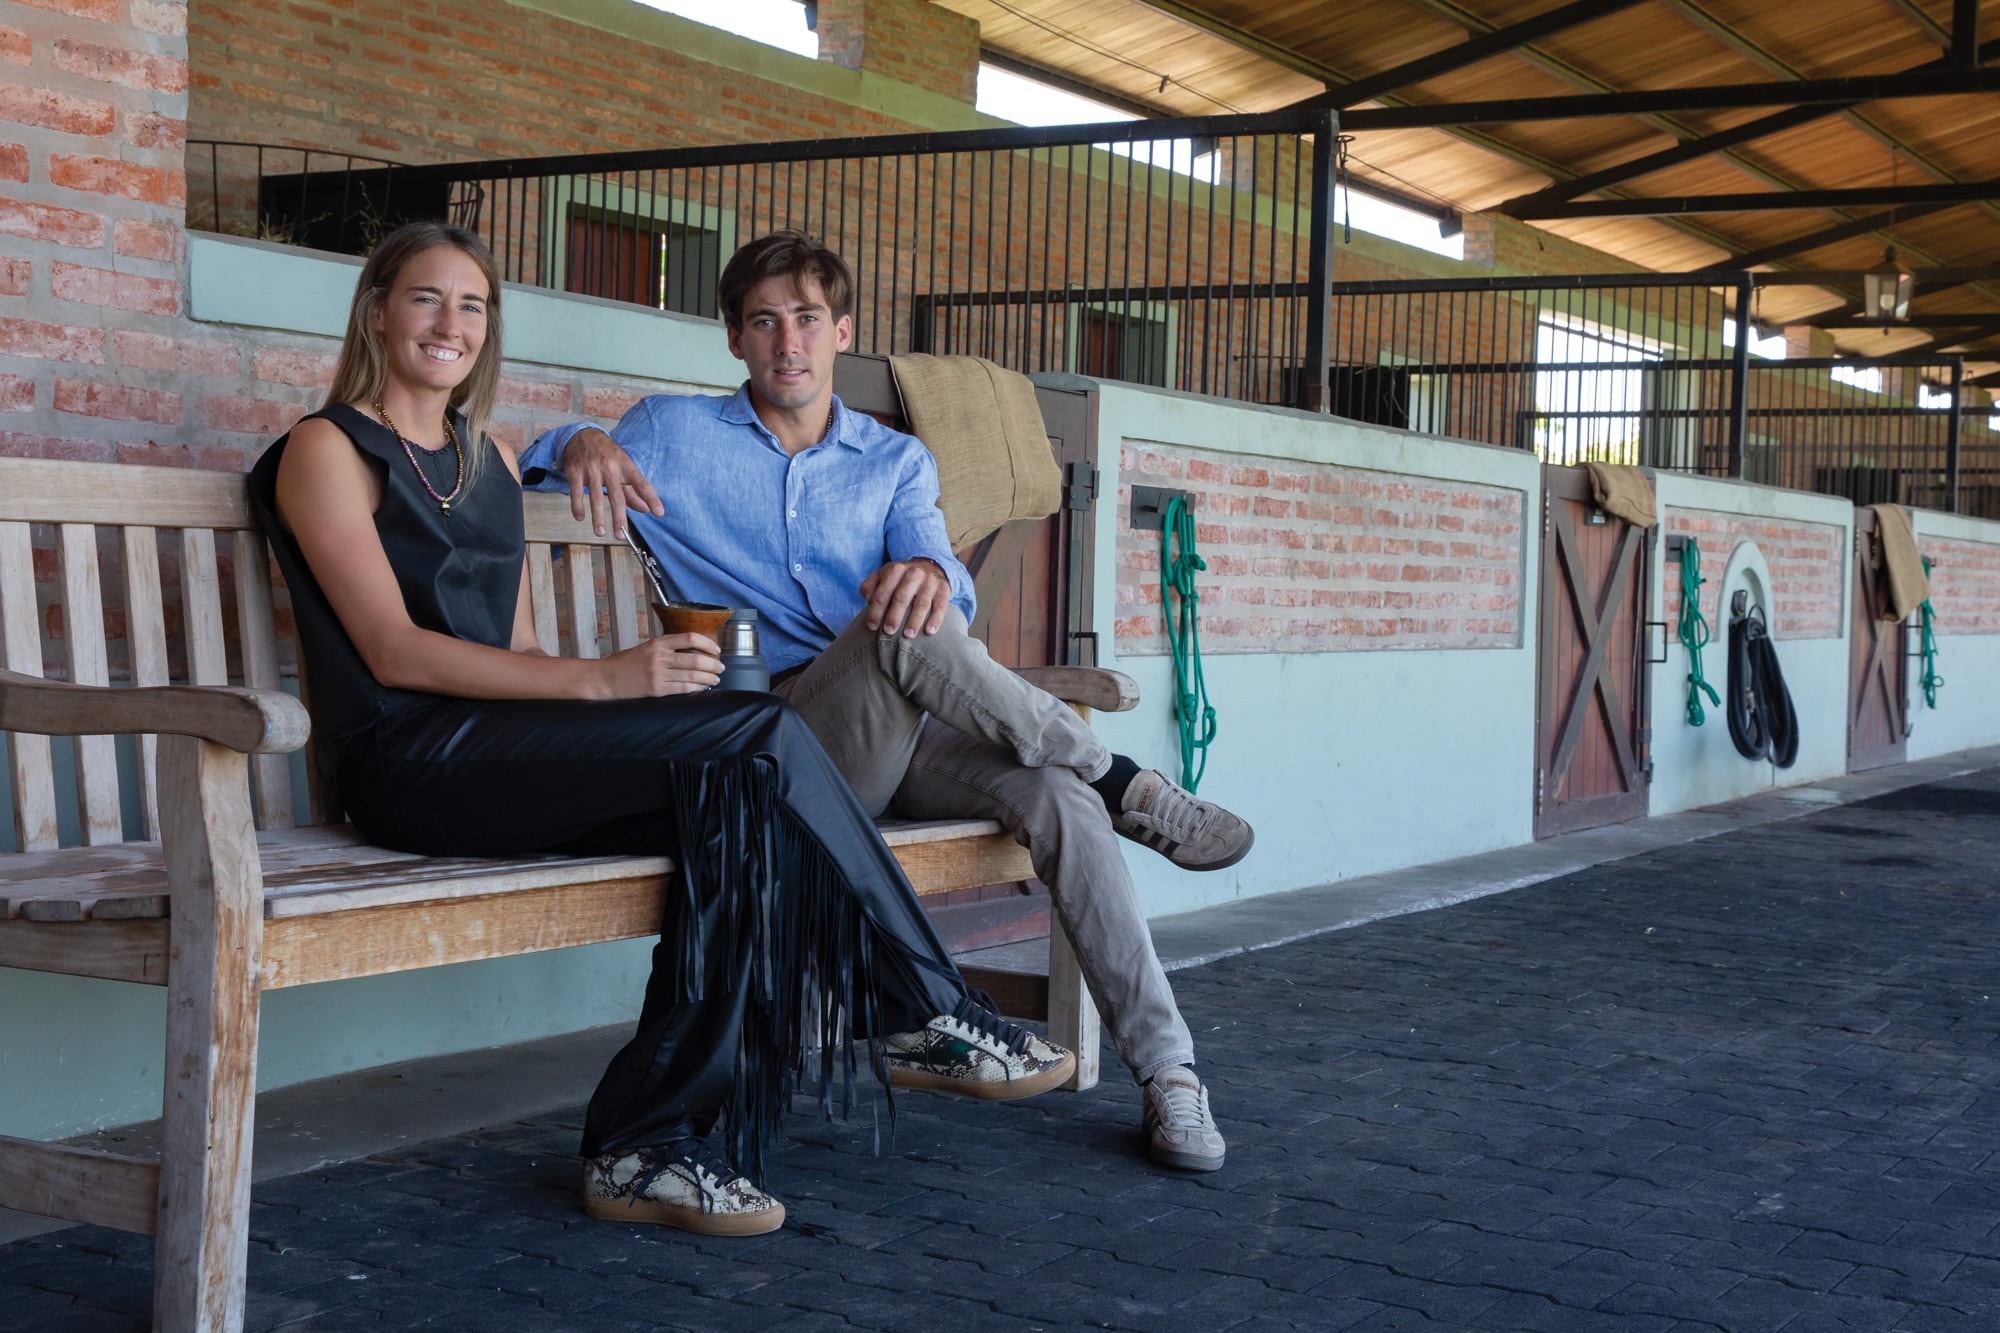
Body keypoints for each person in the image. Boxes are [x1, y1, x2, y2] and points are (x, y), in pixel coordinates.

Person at [248, 221, 1074, 1240]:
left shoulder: (488, 458)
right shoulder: (326, 447)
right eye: (425, 298)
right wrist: (604, 684)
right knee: (753, 735)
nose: (449, 323)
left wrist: (622, 707)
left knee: (732, 792)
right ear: (378, 309)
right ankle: (912, 999)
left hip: (494, 758)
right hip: (402, 763)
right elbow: (393, 653)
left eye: (471, 305)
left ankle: (643, 1144)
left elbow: (516, 653)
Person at [520, 230, 1252, 1173]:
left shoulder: (895, 459)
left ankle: (1171, 1075)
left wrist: (928, 573)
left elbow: (945, 574)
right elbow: (529, 471)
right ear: (735, 339)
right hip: (781, 746)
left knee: (1047, 784)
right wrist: (572, 437)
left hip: (906, 732)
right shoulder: (671, 432)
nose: (790, 342)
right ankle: (1121, 774)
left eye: (809, 320)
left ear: (843, 332)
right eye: (766, 322)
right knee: (895, 622)